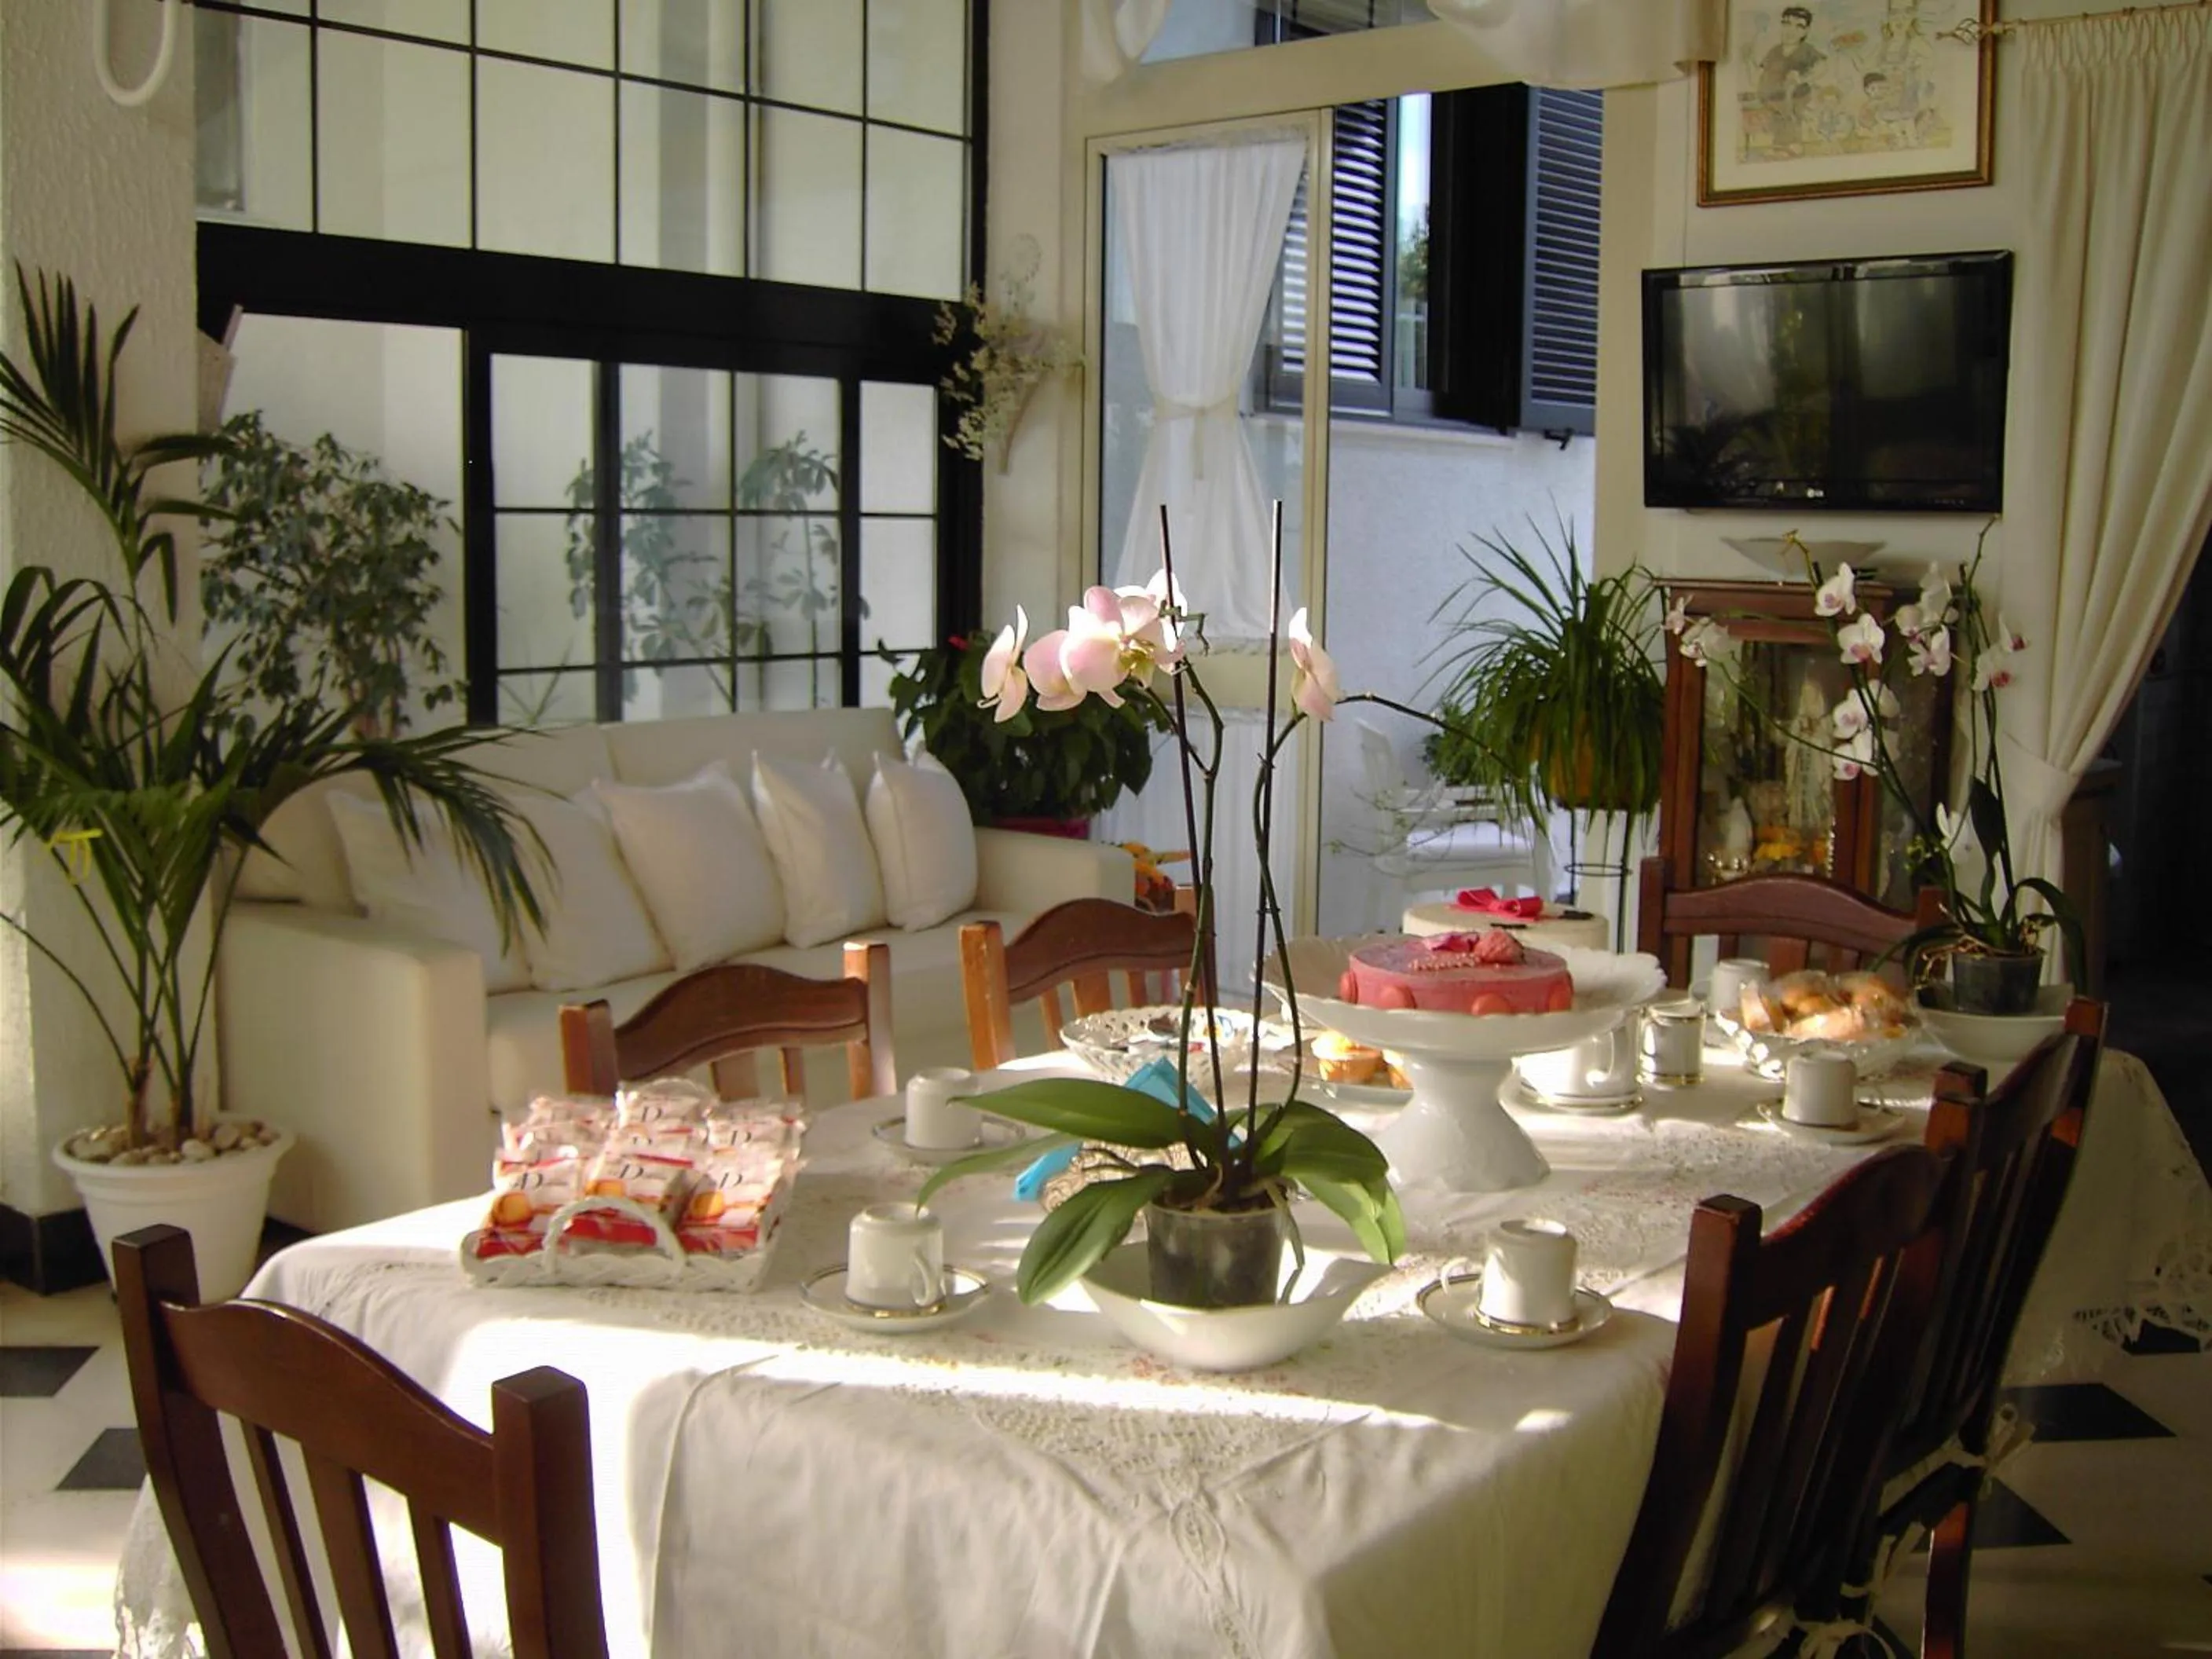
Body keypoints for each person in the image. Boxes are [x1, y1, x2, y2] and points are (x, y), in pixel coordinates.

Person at [1756, 5, 1825, 157]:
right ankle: (1779, 146)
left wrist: (1803, 78)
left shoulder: (1806, 50)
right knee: (1776, 118)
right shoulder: (1775, 51)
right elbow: (1762, 70)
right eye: (1787, 24)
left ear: (1806, 31)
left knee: (1791, 115)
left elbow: (1821, 67)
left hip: (1796, 96)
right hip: (1773, 96)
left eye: (1799, 26)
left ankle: (1794, 145)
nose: (1791, 30)